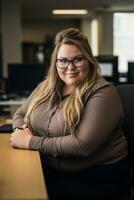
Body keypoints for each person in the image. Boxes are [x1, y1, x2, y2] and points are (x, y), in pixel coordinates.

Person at [10, 28, 130, 200]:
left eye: (78, 59)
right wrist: (22, 132)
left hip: (93, 179)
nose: (70, 67)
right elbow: (20, 114)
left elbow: (82, 145)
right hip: (51, 169)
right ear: (55, 63)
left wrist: (30, 141)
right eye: (63, 61)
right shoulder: (46, 86)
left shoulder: (103, 92)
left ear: (88, 60)